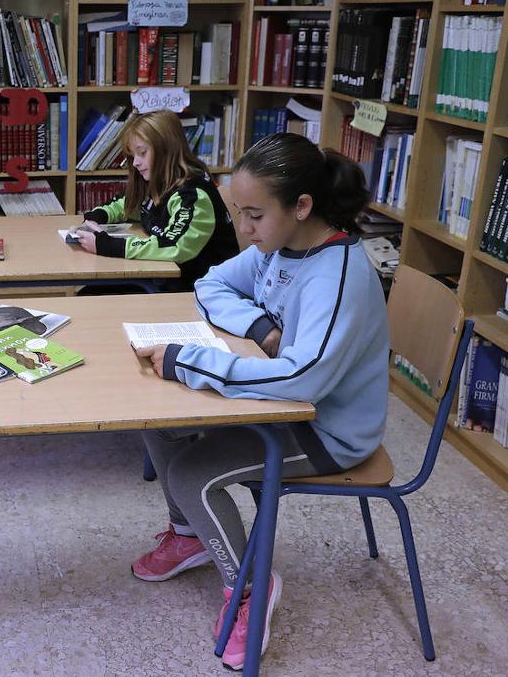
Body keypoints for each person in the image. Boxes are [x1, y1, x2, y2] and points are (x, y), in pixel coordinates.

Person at [130, 133, 389, 670]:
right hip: (285, 401)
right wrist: (262, 330)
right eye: (237, 213)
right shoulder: (282, 246)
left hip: (329, 429)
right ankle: (190, 537)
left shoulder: (336, 273)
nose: (242, 230)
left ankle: (250, 585)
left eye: (253, 215)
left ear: (301, 206)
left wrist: (190, 361)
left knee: (190, 475)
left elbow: (302, 381)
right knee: (158, 423)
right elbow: (211, 283)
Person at [74, 110, 239, 292]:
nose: (136, 163)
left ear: (166, 150)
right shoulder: (159, 183)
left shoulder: (193, 196)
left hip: (201, 292)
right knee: (90, 293)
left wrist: (109, 246)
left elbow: (175, 246)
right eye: (133, 156)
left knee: (96, 297)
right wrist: (100, 215)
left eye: (142, 153)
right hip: (165, 279)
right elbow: (129, 205)